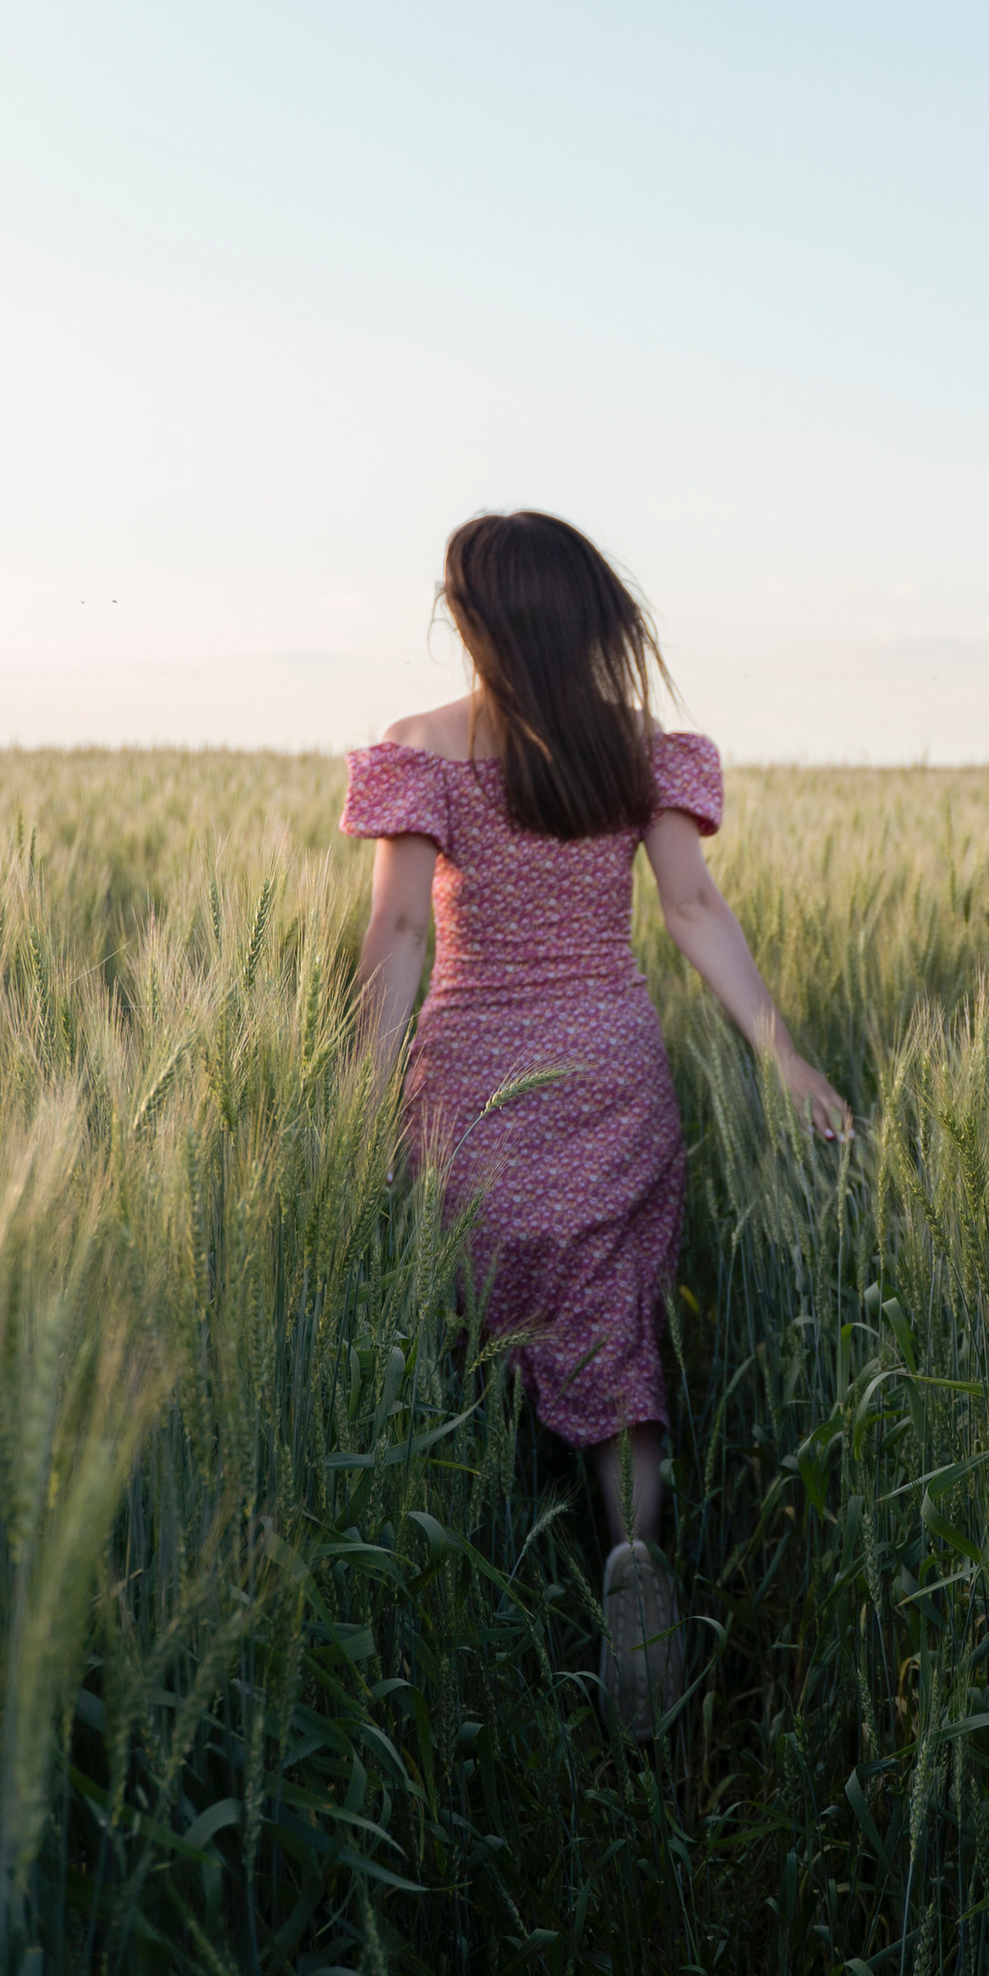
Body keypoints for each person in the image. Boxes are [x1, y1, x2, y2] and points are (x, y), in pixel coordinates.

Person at [344, 511, 851, 1736]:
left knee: (476, 1322)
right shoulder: (638, 751)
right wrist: (784, 1058)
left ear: (470, 617)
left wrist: (357, 1100)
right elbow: (691, 909)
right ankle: (633, 1551)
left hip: (473, 1078)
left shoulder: (420, 750)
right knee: (614, 1335)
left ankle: (497, 1563)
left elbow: (402, 934)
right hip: (612, 1067)